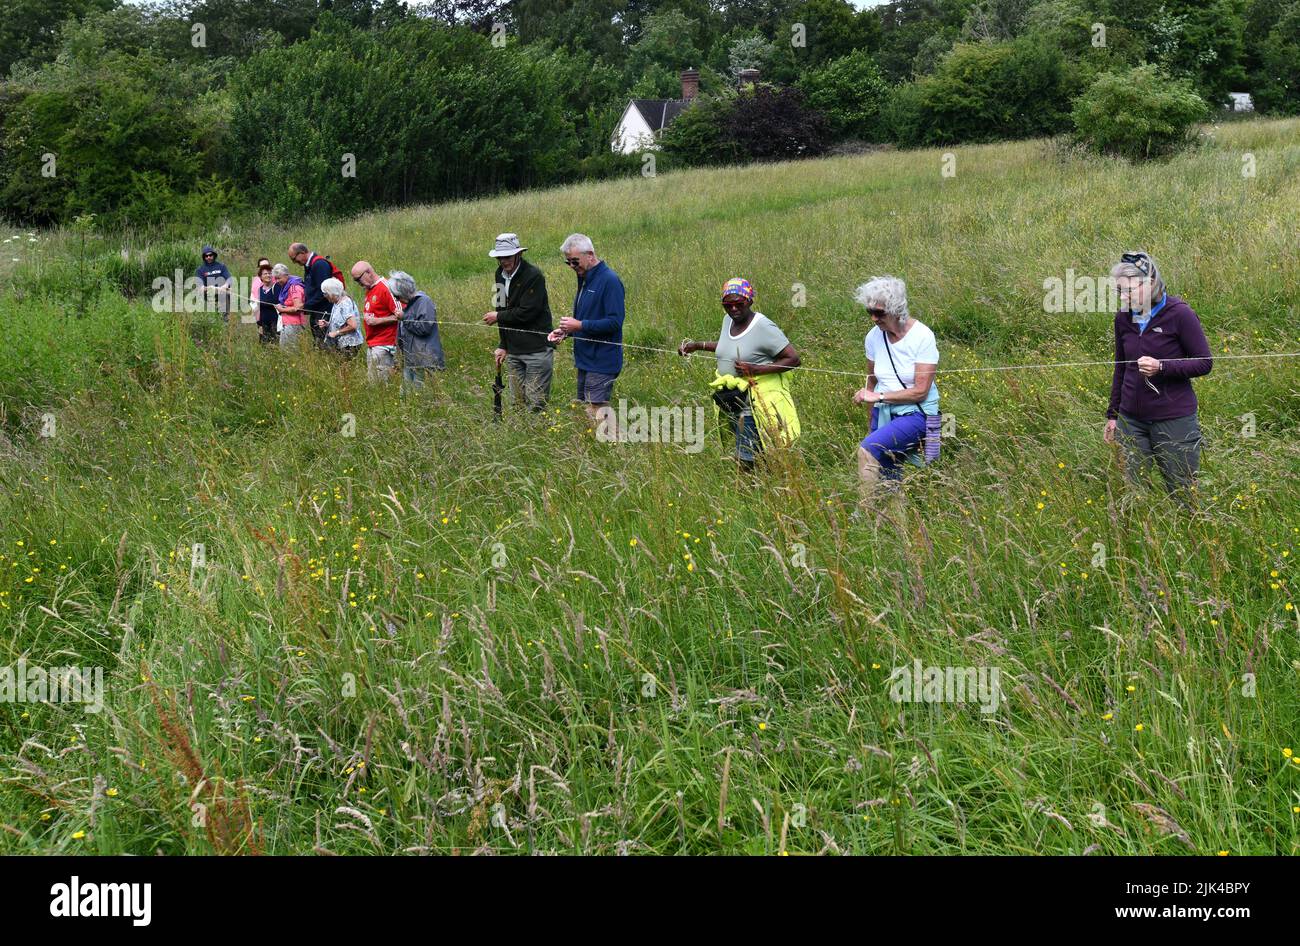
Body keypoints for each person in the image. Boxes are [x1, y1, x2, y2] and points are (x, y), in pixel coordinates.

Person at [1104, 251, 1212, 498]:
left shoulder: (1180, 314)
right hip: (1131, 420)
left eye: (1128, 290)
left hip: (1173, 419)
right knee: (1132, 491)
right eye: (1118, 291)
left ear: (1150, 283)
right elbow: (1121, 367)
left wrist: (1162, 367)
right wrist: (1113, 415)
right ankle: (1138, 533)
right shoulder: (1123, 318)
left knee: (1182, 492)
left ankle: (1189, 533)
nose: (1123, 297)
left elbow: (1205, 363)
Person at [678, 278, 800, 469]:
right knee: (753, 448)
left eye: (739, 304)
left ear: (750, 301)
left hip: (754, 399)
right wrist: (698, 346)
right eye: (728, 305)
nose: (733, 309)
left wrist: (756, 369)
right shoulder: (728, 320)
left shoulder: (763, 326)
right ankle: (765, 478)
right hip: (732, 397)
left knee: (746, 455)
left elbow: (793, 359)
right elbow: (730, 346)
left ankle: (749, 488)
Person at [852, 276, 940, 496]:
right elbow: (871, 380)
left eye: (879, 312)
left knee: (867, 451)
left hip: (919, 415)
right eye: (868, 312)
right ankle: (895, 522)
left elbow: (921, 391)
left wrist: (879, 397)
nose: (873, 318)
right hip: (884, 413)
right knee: (889, 473)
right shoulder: (873, 337)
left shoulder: (922, 336)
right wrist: (872, 422)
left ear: (896, 308)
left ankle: (863, 513)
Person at [548, 234, 625, 438]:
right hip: (585, 359)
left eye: (575, 261)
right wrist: (566, 332)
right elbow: (586, 319)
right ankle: (597, 449)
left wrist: (579, 325)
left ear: (590, 255)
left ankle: (616, 448)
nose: (572, 266)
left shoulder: (609, 281)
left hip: (602, 359)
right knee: (586, 409)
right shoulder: (584, 279)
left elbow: (615, 322)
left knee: (597, 409)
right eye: (568, 262)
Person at [483, 233, 554, 413]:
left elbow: (527, 312)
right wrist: (503, 345)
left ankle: (538, 437)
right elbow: (499, 308)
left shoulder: (534, 276)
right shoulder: (498, 274)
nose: (503, 261)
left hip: (536, 349)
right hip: (513, 351)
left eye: (507, 257)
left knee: (536, 403)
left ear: (518, 254)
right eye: (499, 258)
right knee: (517, 403)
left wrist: (498, 317)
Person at [389, 270, 444, 388]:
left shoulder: (424, 301)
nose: (397, 300)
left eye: (397, 296)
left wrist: (404, 317)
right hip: (411, 361)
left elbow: (424, 328)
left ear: (404, 292)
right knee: (406, 395)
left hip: (423, 362)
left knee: (421, 395)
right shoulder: (410, 305)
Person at [352, 260, 400, 382]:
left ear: (368, 272)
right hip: (372, 343)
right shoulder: (369, 289)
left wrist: (377, 321)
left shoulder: (386, 287)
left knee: (381, 384)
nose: (358, 283)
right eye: (355, 281)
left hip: (385, 343)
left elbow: (401, 315)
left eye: (358, 279)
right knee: (373, 383)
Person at [290, 243, 337, 347]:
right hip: (316, 312)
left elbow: (324, 292)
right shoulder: (309, 266)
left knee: (325, 346)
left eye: (294, 259)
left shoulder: (319, 264)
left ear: (302, 253)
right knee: (318, 344)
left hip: (324, 314)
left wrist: (305, 306)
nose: (294, 262)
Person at [318, 277, 363, 357]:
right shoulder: (337, 302)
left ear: (332, 293)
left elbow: (353, 325)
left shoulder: (344, 304)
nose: (324, 296)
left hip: (350, 345)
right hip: (342, 344)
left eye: (325, 293)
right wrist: (327, 324)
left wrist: (336, 333)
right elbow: (342, 323)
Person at [272, 263, 307, 351]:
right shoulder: (286, 286)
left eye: (279, 278)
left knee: (290, 351)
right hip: (287, 323)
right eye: (276, 278)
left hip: (294, 324)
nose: (277, 281)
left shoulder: (294, 287)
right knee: (285, 350)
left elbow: (298, 307)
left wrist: (282, 309)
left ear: (286, 275)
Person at [196, 244, 233, 323]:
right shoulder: (200, 270)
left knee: (225, 319)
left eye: (210, 255)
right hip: (210, 298)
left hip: (223, 296)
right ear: (204, 257)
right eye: (206, 256)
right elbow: (199, 283)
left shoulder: (221, 266)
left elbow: (229, 278)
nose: (208, 257)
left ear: (214, 255)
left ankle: (225, 332)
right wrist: (202, 287)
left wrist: (225, 285)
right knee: (212, 320)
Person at [252, 261, 278, 344]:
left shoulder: (277, 287)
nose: (268, 275)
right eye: (265, 274)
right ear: (260, 277)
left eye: (270, 273)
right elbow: (259, 309)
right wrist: (259, 324)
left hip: (275, 322)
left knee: (276, 344)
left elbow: (275, 301)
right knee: (264, 345)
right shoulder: (260, 289)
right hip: (264, 322)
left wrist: (260, 302)